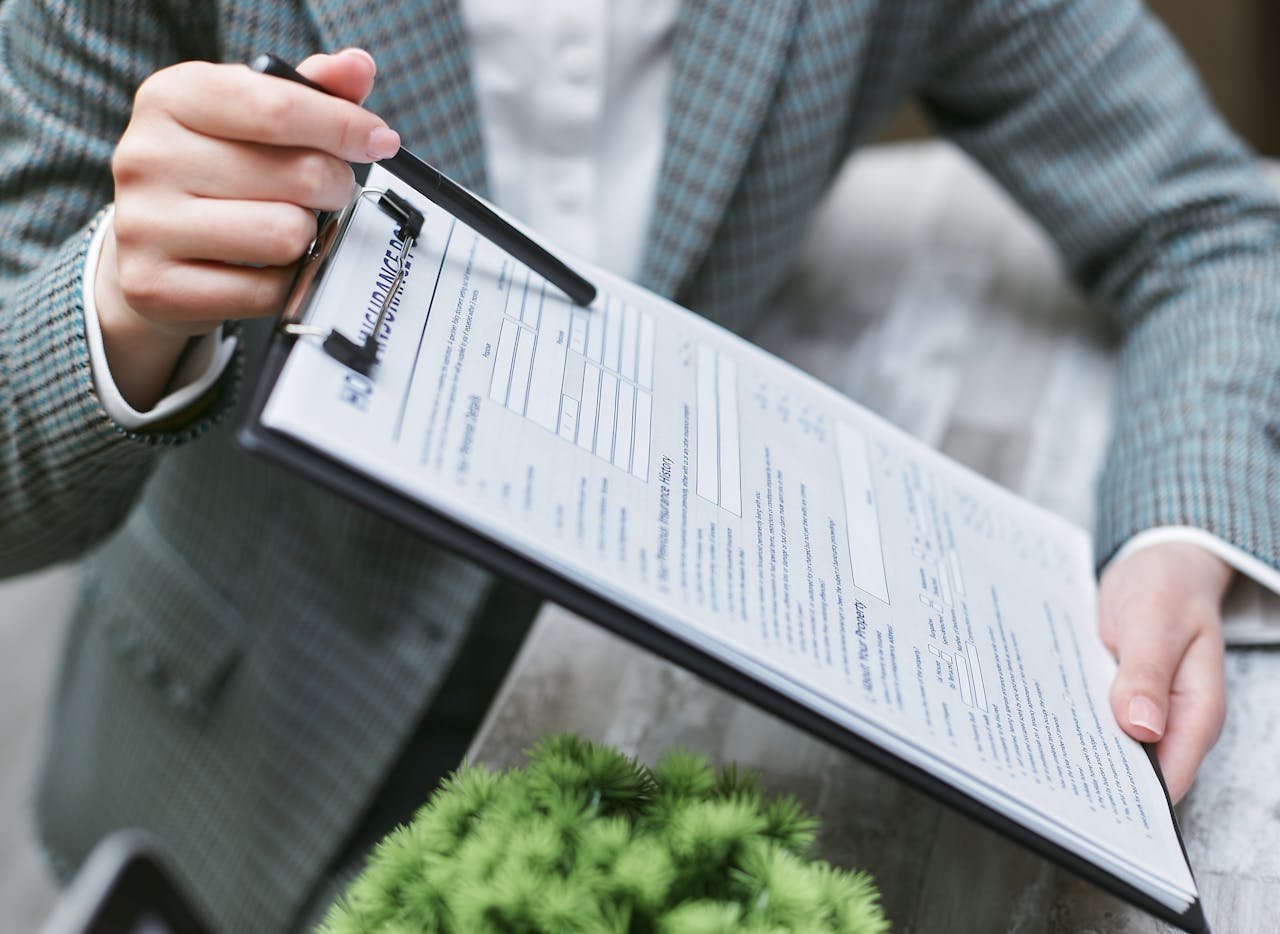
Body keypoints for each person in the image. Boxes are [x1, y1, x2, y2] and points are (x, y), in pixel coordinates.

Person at [1, 0, 1276, 930]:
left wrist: (1176, 529)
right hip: (230, 753)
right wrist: (120, 298)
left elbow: (1203, 214)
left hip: (672, 753)